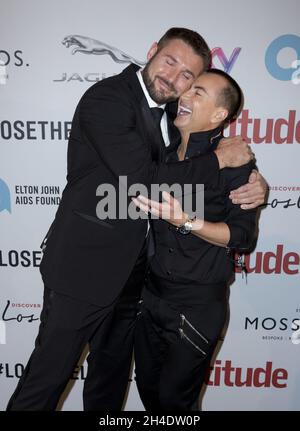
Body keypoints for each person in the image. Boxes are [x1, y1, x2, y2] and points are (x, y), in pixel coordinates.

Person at [7, 28, 265, 411]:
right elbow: (145, 180)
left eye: (188, 78)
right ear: (151, 52)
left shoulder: (173, 123)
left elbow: (198, 183)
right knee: (47, 379)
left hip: (134, 280)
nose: (174, 79)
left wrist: (256, 184)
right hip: (83, 270)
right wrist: (219, 162)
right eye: (169, 62)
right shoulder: (108, 99)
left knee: (107, 387)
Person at [132, 68, 259, 411]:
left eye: (198, 92)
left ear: (219, 115)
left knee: (177, 403)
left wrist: (185, 221)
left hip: (196, 306)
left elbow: (243, 238)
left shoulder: (236, 163)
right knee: (150, 396)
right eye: (187, 90)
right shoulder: (161, 154)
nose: (184, 96)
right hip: (151, 297)